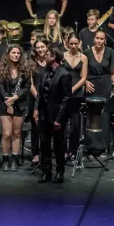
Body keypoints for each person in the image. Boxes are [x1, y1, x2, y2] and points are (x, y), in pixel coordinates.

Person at [35, 43, 72, 183]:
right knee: (44, 144)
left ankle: (60, 171)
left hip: (57, 115)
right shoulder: (44, 71)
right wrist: (36, 110)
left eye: (48, 53)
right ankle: (46, 171)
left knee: (59, 144)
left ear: (54, 57)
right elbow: (40, 92)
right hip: (44, 114)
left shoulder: (65, 74)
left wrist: (59, 119)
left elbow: (66, 98)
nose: (45, 55)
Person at [0, 45, 31, 171]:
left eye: (18, 53)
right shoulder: (1, 69)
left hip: (19, 104)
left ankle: (14, 158)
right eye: (13, 52)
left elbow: (27, 87)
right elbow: (0, 88)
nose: (16, 55)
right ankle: (5, 159)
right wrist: (8, 102)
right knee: (6, 133)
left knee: (16, 133)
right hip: (4, 104)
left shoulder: (24, 69)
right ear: (8, 54)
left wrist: (15, 98)